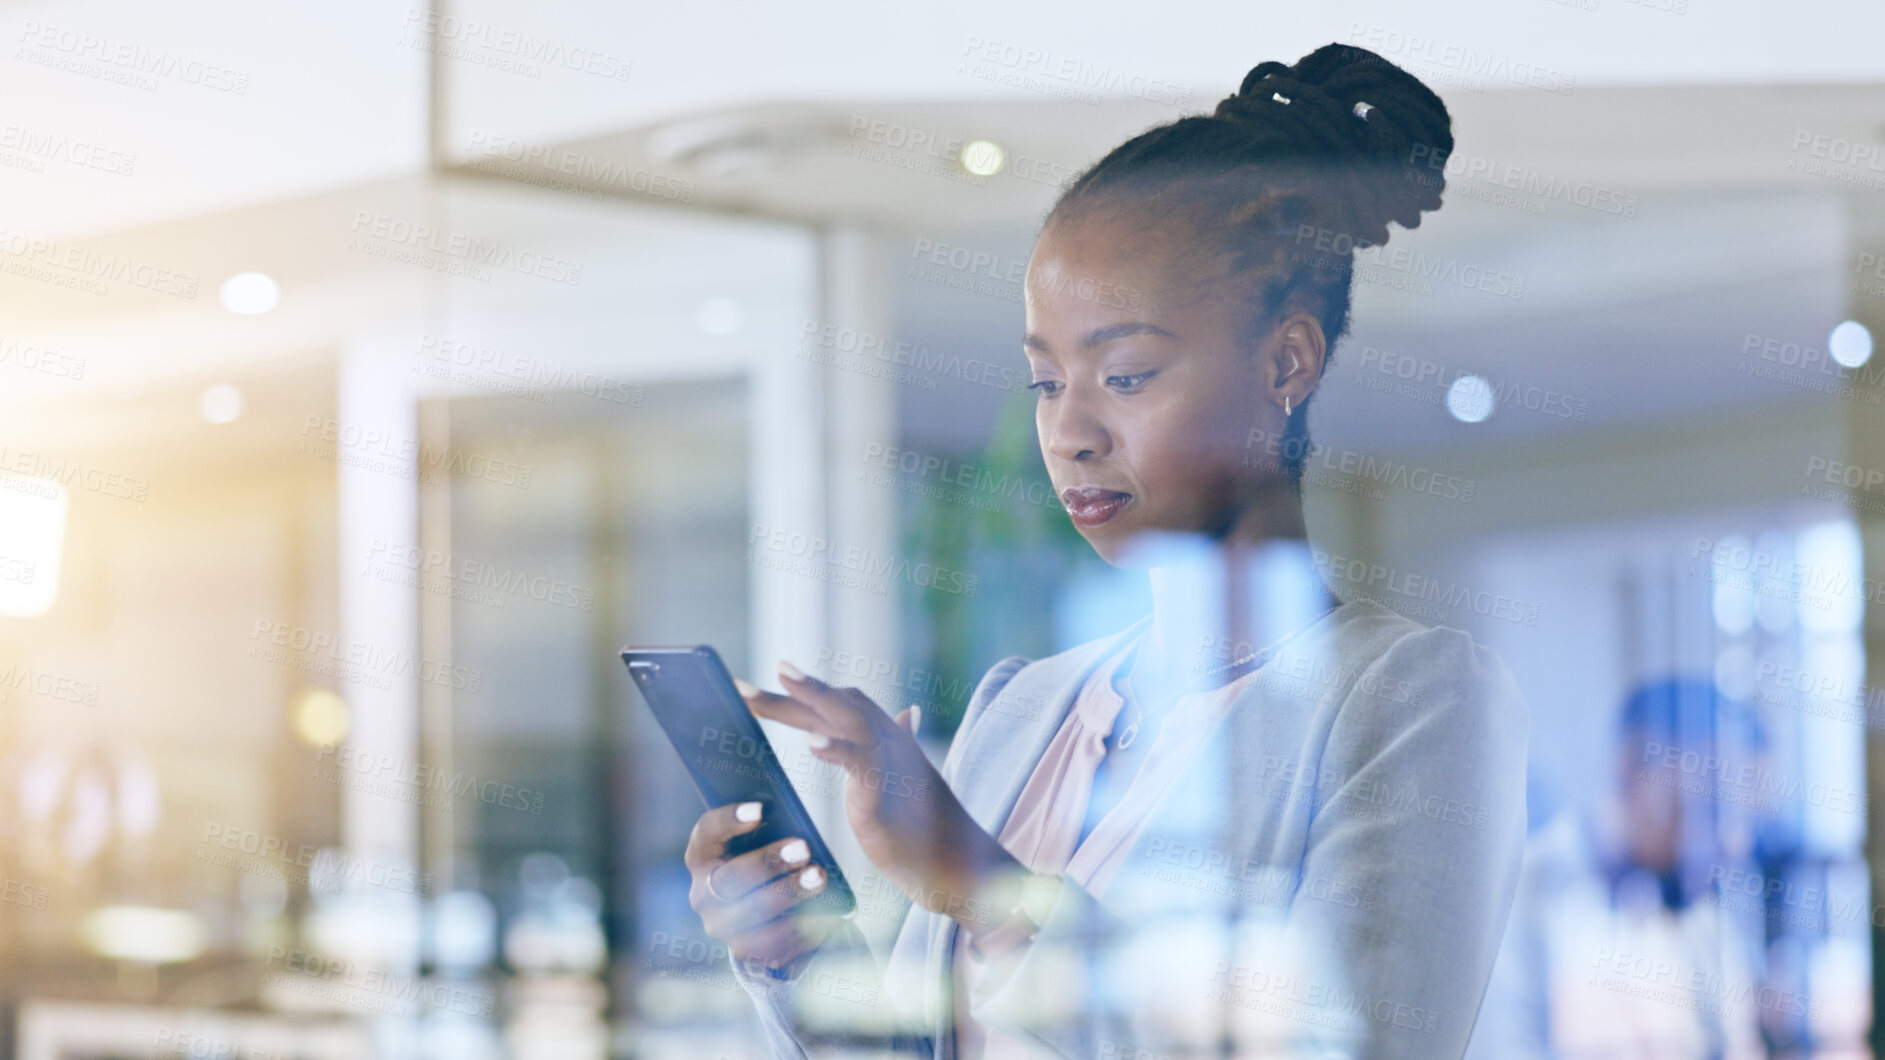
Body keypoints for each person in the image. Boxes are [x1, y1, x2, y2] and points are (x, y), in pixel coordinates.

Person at [684, 42, 1529, 1058]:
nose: (1069, 431)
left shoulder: (1414, 699)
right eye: (1047, 382)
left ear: (1285, 361)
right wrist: (793, 954)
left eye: (1124, 375)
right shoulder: (1020, 709)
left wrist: (986, 888)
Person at [1463, 679, 1767, 1059]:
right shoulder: (1521, 896)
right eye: (1713, 810)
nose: (1735, 842)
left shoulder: (1696, 901)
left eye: (1747, 819)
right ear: (1630, 769)